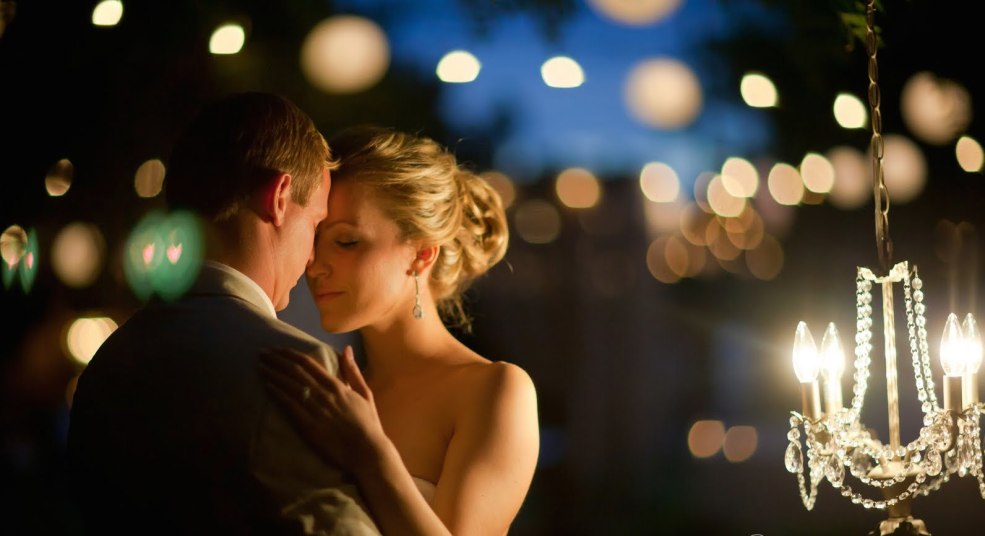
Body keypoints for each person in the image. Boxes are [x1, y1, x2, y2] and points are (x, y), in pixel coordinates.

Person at [66, 92, 379, 535]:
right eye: (315, 224)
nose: (312, 257)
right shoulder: (293, 368)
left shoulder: (110, 359)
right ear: (279, 197)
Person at [258, 125, 540, 536]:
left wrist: (369, 454)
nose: (315, 266)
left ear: (421, 253)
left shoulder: (495, 390)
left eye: (347, 242)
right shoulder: (330, 390)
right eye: (316, 239)